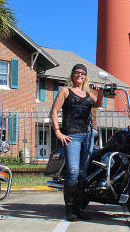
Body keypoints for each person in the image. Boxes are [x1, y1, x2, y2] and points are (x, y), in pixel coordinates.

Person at [50, 64, 103, 221]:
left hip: (88, 136)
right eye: (77, 72)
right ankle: (70, 208)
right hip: (72, 136)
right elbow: (54, 111)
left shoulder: (87, 93)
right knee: (72, 172)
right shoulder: (65, 91)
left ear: (86, 76)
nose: (79, 75)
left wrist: (100, 91)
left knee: (82, 173)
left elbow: (98, 104)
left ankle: (79, 208)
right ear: (72, 75)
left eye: (82, 73)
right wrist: (58, 132)